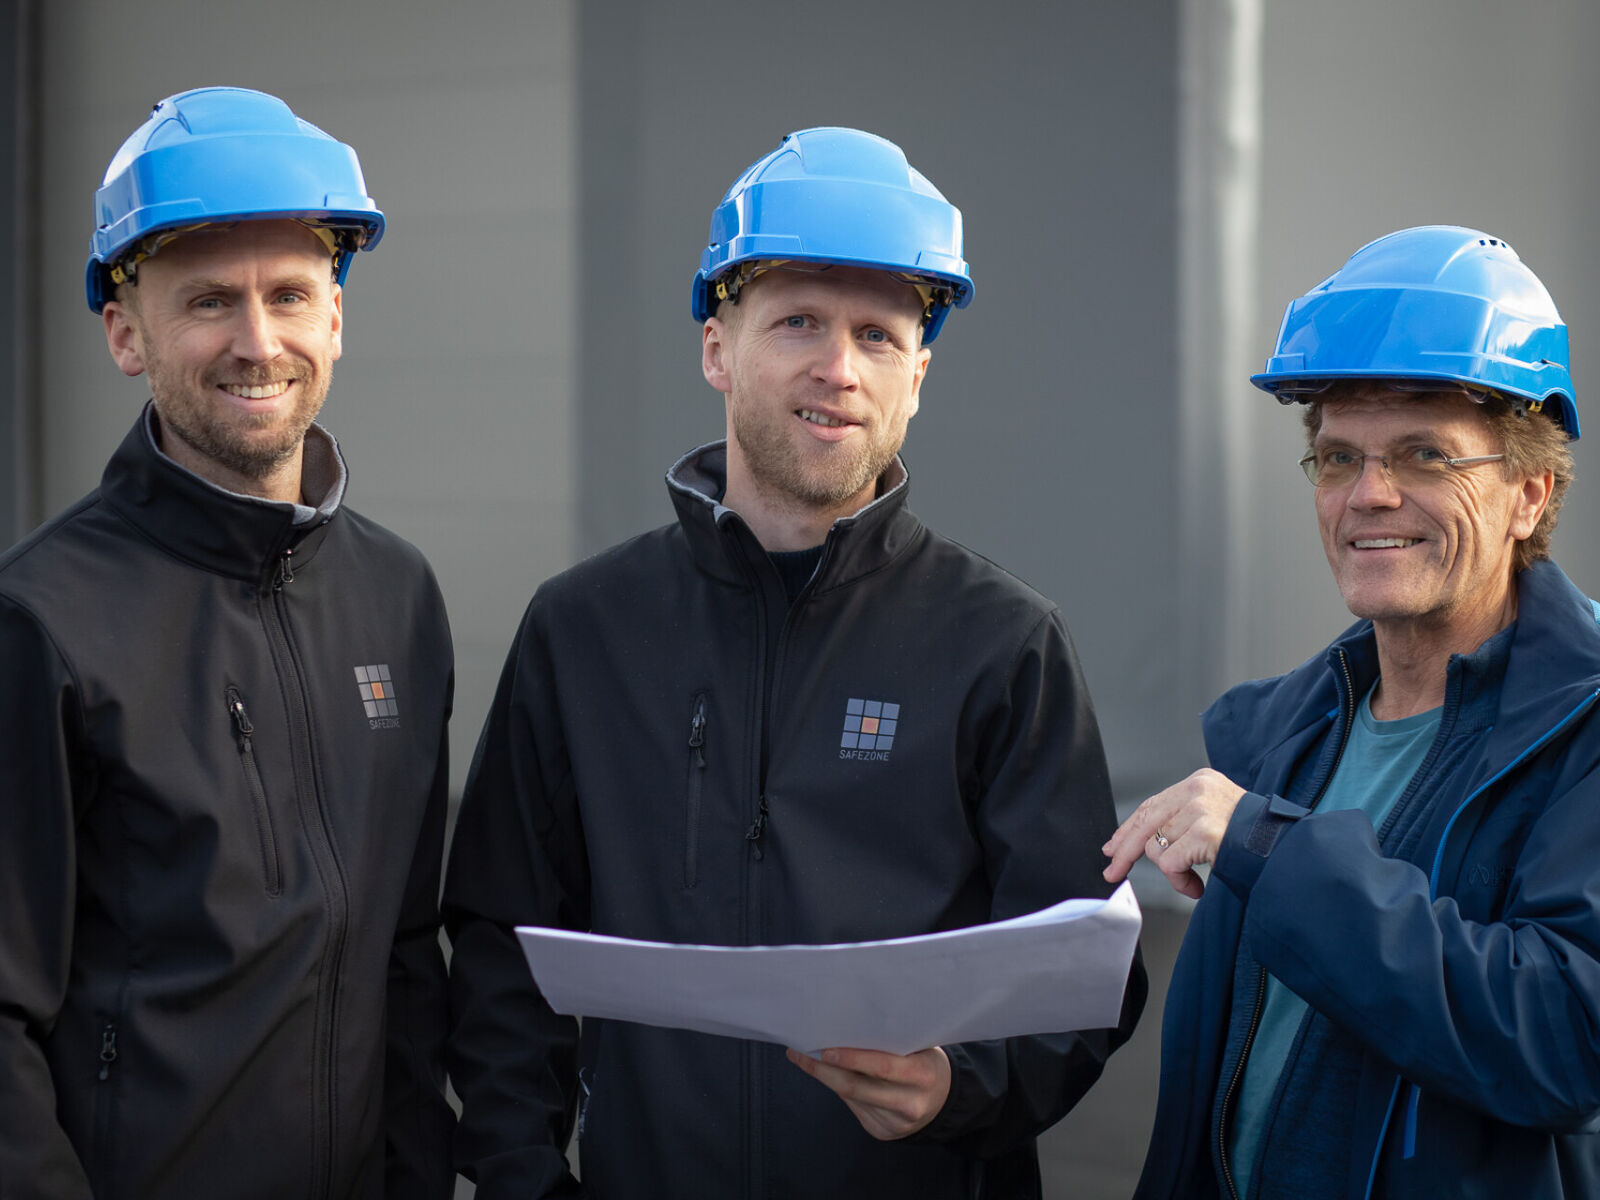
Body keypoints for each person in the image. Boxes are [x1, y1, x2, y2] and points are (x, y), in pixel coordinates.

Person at [443, 126, 1145, 1199]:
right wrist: (523, 1178)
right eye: (799, 323)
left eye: (876, 334)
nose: (838, 367)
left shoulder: (1004, 643)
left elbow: (1088, 966)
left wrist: (962, 1086)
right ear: (718, 348)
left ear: (917, 374)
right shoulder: (582, 629)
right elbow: (501, 946)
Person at [0, 87, 455, 1198]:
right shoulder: (42, 620)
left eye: (290, 294)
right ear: (125, 332)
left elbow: (406, 947)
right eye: (208, 301)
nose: (258, 341)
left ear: (335, 319)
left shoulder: (397, 597)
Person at [1104, 225, 1600, 1198]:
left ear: (1529, 495)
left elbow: (1567, 1038)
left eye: (1423, 455)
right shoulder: (1270, 739)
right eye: (1336, 458)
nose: (1369, 495)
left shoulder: (1582, 726)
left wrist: (1271, 852)